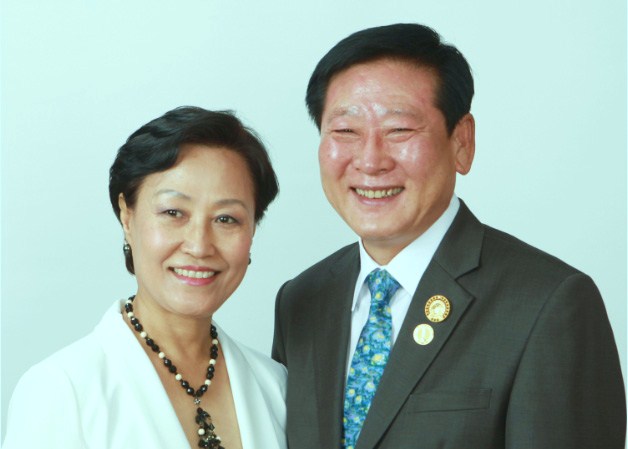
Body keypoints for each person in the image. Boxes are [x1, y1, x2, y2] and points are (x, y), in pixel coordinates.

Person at [272, 23, 626, 449]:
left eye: (399, 130)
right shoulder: (302, 301)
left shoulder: (548, 304)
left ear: (461, 142)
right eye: (345, 132)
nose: (370, 160)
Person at [4, 107, 287, 449]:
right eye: (173, 212)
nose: (199, 246)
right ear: (127, 216)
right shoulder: (62, 390)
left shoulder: (277, 386)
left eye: (226, 219)